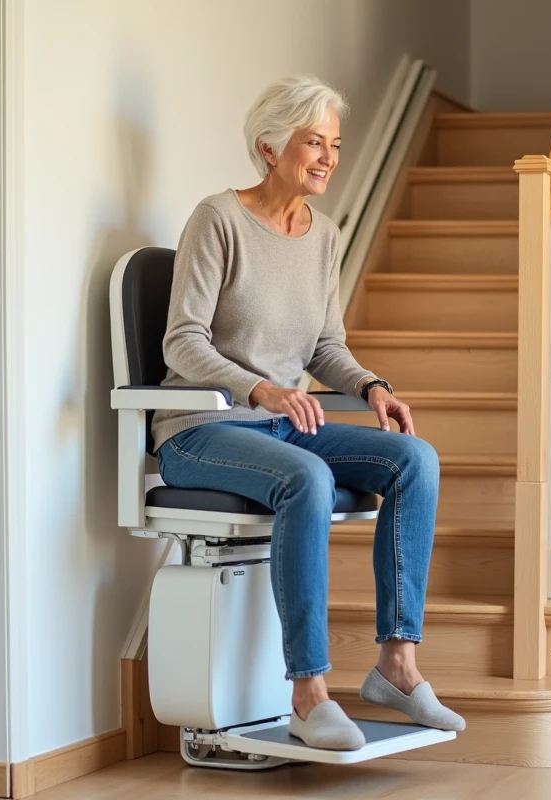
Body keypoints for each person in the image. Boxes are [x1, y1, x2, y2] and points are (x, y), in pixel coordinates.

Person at [149, 75, 465, 751]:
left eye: (335, 144)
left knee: (414, 459)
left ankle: (397, 666)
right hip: (201, 431)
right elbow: (182, 341)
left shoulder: (324, 236)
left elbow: (325, 346)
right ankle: (308, 693)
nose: (328, 157)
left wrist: (372, 385)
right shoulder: (218, 219)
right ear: (270, 147)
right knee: (309, 479)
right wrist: (259, 389)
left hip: (284, 428)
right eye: (314, 142)